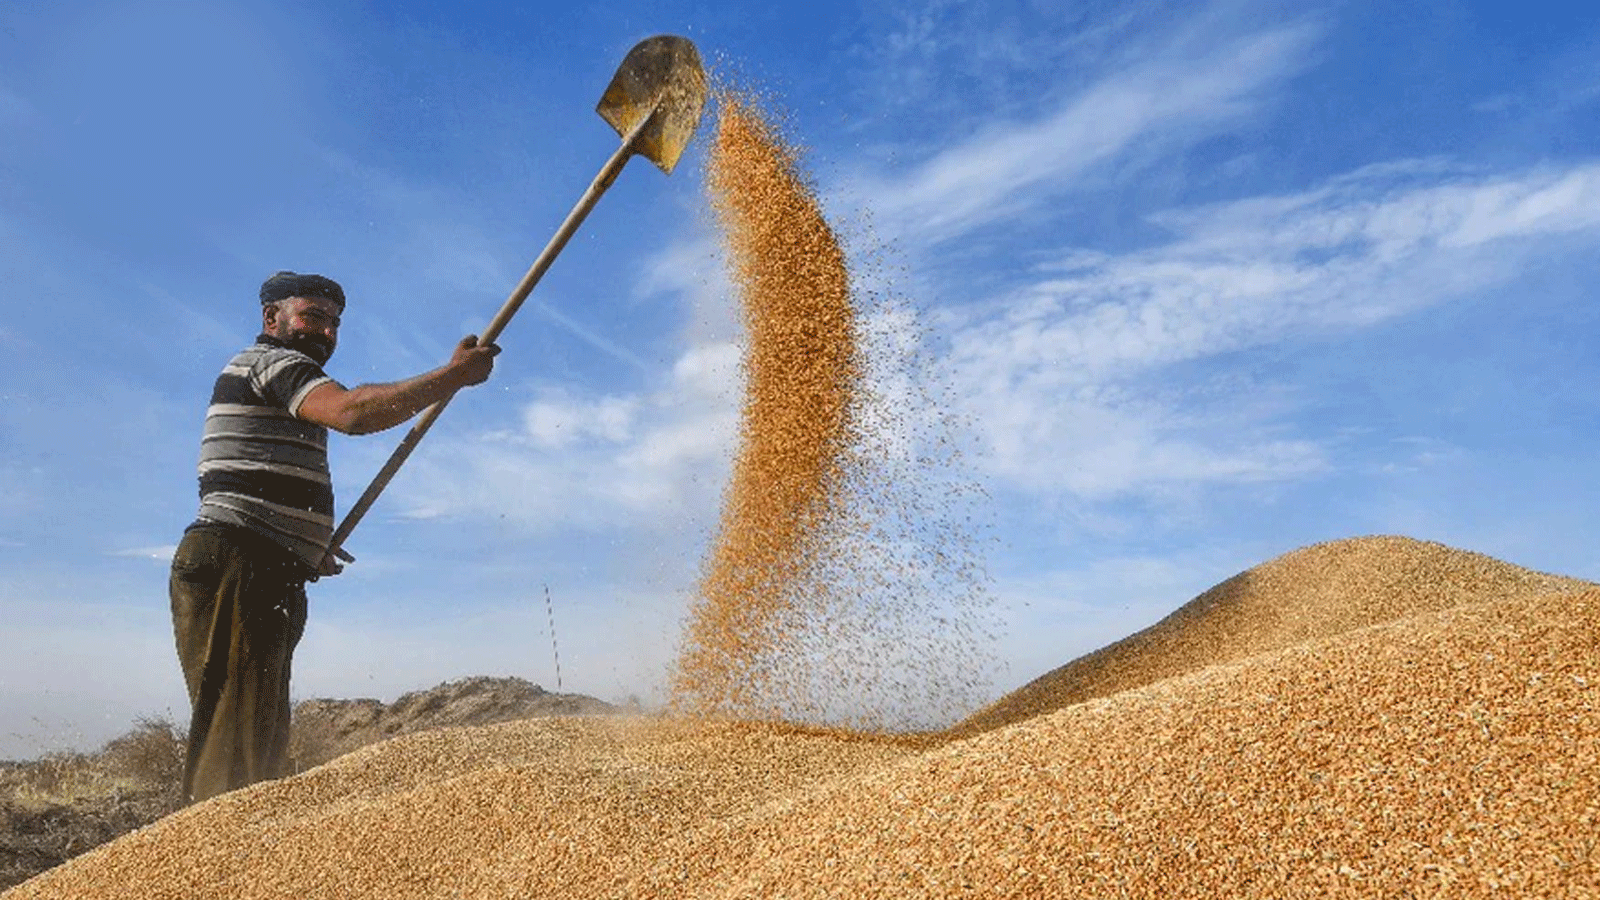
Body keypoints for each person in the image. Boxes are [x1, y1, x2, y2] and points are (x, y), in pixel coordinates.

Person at [169, 271, 499, 804]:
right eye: (312, 317)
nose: (325, 332)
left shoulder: (283, 377)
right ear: (271, 318)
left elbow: (258, 475)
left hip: (265, 564)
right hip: (239, 561)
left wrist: (304, 542)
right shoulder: (273, 364)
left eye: (334, 324)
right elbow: (352, 412)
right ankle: (218, 868)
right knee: (237, 752)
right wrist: (451, 377)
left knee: (256, 739)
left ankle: (244, 857)